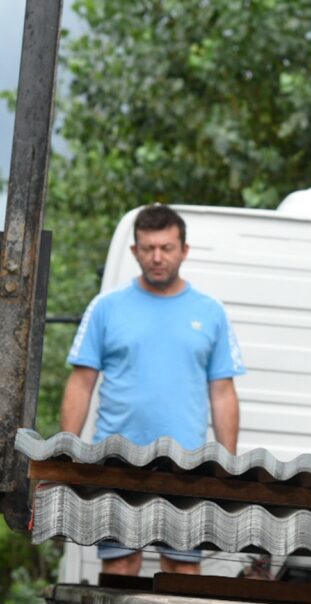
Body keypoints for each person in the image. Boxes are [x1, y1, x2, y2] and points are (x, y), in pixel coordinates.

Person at [59, 203, 246, 576]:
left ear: (184, 251)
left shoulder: (210, 312)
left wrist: (227, 467)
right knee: (121, 564)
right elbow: (81, 384)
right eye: (148, 248)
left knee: (181, 570)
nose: (157, 257)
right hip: (117, 460)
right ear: (135, 252)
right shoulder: (106, 308)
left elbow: (223, 392)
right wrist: (65, 454)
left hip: (187, 464)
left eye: (166, 247)